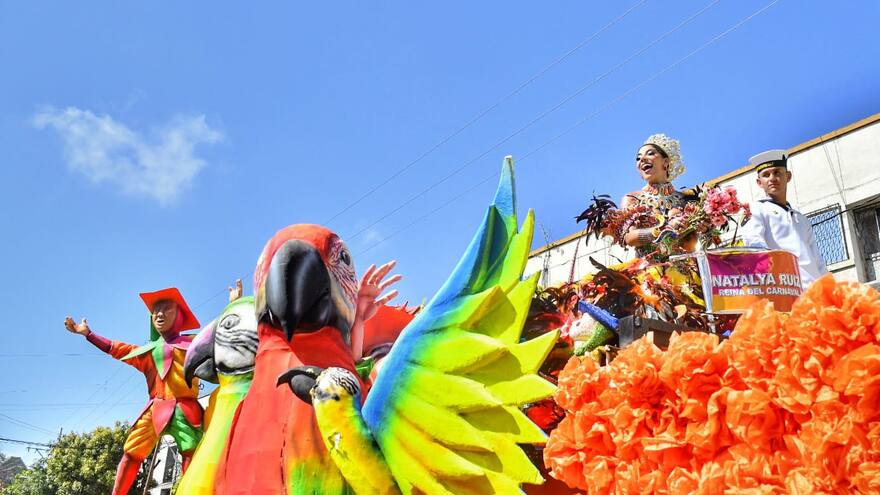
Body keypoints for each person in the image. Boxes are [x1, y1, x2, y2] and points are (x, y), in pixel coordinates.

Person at [64, 288, 204, 495]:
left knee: (193, 451)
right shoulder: (147, 352)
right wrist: (88, 334)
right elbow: (117, 348)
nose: (159, 314)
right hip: (154, 408)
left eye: (167, 309)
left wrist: (233, 306)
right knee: (130, 453)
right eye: (156, 310)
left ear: (179, 315)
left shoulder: (195, 344)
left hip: (185, 409)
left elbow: (225, 340)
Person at [741, 149, 828, 289]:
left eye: (777, 172)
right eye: (766, 175)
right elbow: (755, 246)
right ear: (759, 182)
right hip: (785, 289)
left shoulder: (801, 219)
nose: (772, 178)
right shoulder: (756, 209)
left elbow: (817, 260)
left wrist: (830, 287)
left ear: (788, 176)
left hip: (814, 291)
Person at [619, 133, 695, 257]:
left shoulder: (686, 200)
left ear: (666, 162)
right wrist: (665, 229)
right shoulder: (632, 199)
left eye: (650, 153)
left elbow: (694, 243)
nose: (642, 160)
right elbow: (629, 238)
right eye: (638, 158)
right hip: (649, 267)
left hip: (687, 265)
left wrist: (705, 229)